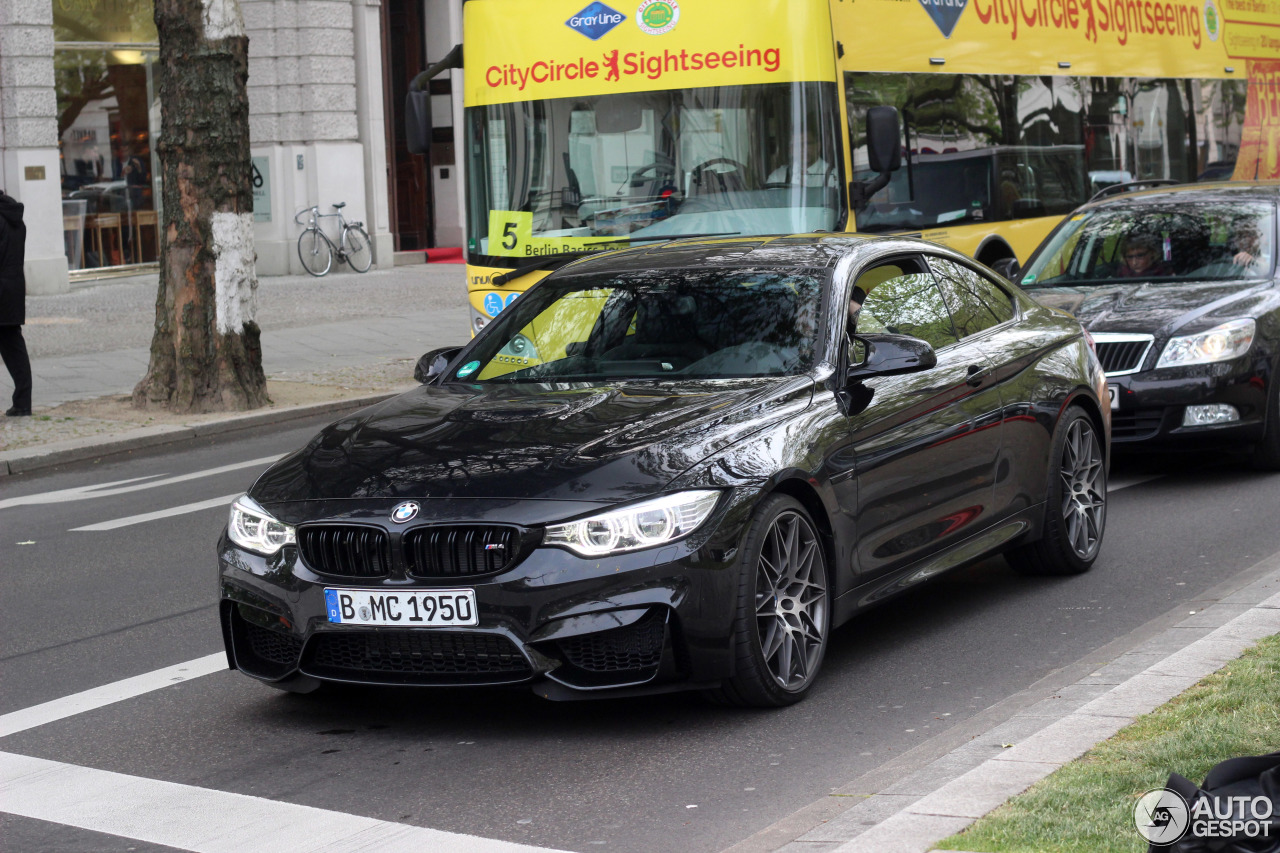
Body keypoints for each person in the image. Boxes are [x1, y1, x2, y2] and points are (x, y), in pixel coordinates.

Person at [0, 188, 32, 417]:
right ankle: (22, 402)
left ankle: (22, 402)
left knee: (13, 348)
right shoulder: (14, 218)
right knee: (14, 348)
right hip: (12, 291)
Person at [767, 136, 835, 187]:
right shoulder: (778, 176)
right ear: (791, 150)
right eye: (797, 145)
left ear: (818, 146)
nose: (802, 148)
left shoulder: (833, 175)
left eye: (807, 143)